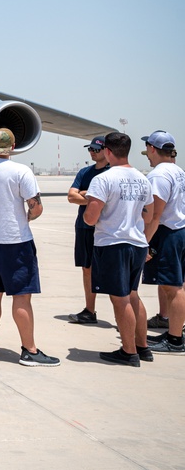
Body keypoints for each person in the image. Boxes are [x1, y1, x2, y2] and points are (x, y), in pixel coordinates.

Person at [0, 128, 59, 367]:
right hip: (15, 242)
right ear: (13, 147)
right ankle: (29, 350)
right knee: (21, 296)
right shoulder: (21, 171)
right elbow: (36, 207)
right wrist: (25, 219)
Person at [83, 132, 154, 367]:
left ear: (108, 152)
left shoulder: (103, 179)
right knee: (133, 295)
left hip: (113, 244)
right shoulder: (142, 178)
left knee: (120, 299)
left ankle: (128, 351)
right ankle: (143, 347)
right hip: (137, 243)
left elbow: (90, 218)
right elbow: (150, 214)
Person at [140, 131, 185, 354]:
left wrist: (144, 243)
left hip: (167, 233)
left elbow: (155, 215)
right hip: (180, 231)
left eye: (148, 149)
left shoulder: (158, 175)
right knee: (177, 285)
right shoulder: (178, 171)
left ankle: (176, 340)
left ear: (152, 149)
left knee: (172, 288)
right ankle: (175, 331)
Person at [66, 136, 110, 324]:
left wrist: (84, 194)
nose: (92, 152)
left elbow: (109, 200)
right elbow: (71, 196)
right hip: (84, 227)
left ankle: (124, 314)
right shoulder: (85, 172)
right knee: (87, 269)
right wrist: (93, 197)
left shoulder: (112, 173)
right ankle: (90, 310)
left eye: (96, 149)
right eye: (90, 149)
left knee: (112, 270)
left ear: (106, 150)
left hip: (106, 228)